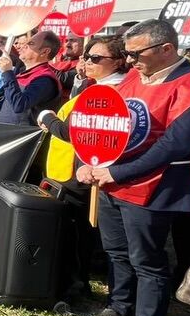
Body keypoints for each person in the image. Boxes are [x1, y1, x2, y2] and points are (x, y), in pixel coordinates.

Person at [77, 19, 190, 316]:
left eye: (136, 53)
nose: (130, 60)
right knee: (116, 250)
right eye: (128, 53)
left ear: (167, 49)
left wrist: (114, 171)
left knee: (147, 259)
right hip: (112, 180)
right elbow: (105, 125)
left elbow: (176, 144)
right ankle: (120, 305)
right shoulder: (134, 77)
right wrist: (91, 160)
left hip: (154, 185)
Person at [38, 35, 129, 295]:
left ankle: (77, 282)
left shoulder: (111, 91)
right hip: (71, 167)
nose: (88, 62)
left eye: (96, 58)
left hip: (85, 172)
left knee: (81, 233)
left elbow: (77, 132)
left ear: (119, 61)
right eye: (87, 56)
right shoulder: (95, 85)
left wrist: (48, 118)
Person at [0, 31, 63, 125]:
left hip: (21, 136)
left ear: (45, 51)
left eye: (31, 43)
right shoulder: (22, 72)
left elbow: (19, 105)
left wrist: (8, 72)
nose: (24, 46)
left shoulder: (45, 79)